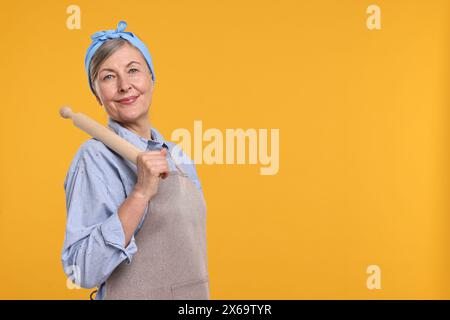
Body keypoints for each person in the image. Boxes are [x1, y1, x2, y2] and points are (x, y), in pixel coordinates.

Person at [61, 21, 209, 300]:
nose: (124, 85)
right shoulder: (93, 158)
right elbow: (80, 270)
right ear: (97, 95)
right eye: (108, 77)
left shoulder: (178, 156)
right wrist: (140, 194)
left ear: (151, 78)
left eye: (133, 70)